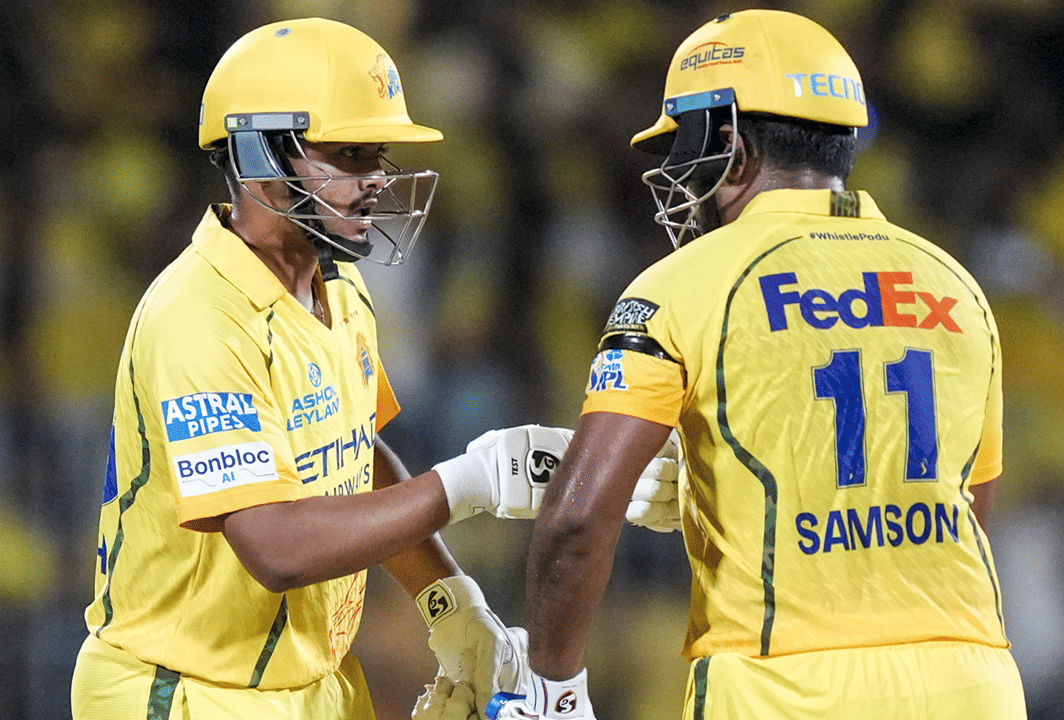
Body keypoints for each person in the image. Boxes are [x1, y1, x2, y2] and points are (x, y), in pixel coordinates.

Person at [69, 18, 676, 720]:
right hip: (186, 690)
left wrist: (450, 603)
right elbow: (276, 547)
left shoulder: (341, 287)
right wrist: (470, 482)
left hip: (314, 682)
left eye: (377, 155)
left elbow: (357, 455)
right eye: (349, 154)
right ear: (259, 154)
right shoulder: (200, 315)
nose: (377, 179)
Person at [489, 9, 1027, 720]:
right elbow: (967, 512)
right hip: (973, 682)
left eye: (685, 148)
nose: (679, 177)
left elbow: (578, 522)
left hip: (784, 688)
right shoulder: (956, 285)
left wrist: (549, 691)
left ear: (732, 150)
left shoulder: (679, 287)